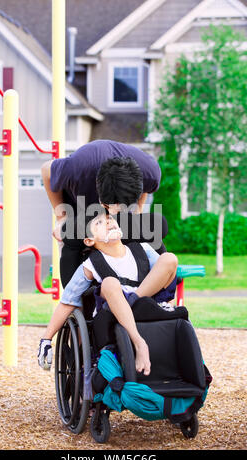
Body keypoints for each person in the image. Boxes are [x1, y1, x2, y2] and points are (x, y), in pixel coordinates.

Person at [38, 212, 180, 377]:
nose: (108, 222)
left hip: (144, 301)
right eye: (99, 223)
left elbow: (167, 274)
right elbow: (68, 301)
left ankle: (133, 300)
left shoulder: (142, 249)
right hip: (112, 312)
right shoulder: (90, 265)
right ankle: (139, 343)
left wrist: (169, 304)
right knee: (109, 282)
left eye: (110, 219)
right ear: (89, 240)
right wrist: (46, 339)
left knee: (169, 259)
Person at [41, 140, 166, 288]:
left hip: (120, 192)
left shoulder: (150, 172)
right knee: (69, 236)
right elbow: (46, 170)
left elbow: (147, 187)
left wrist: (137, 210)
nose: (111, 215)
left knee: (139, 232)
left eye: (119, 211)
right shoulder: (76, 168)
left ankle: (147, 294)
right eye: (108, 208)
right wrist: (61, 217)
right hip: (78, 204)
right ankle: (74, 305)